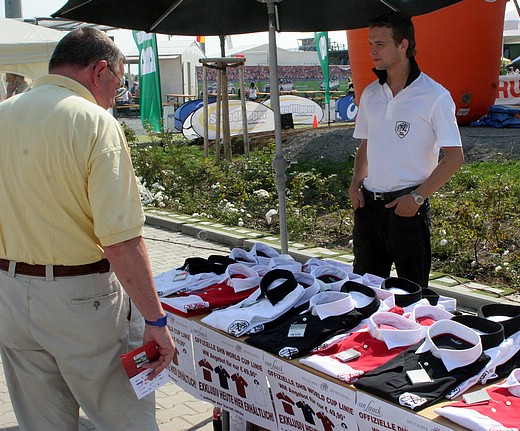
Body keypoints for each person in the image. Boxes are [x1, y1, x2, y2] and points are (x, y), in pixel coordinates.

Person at [0, 28, 175, 431]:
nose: (120, 90)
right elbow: (121, 241)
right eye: (120, 78)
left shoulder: (5, 113)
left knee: (41, 422)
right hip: (81, 300)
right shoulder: (94, 122)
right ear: (100, 71)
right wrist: (156, 321)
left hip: (10, 293)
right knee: (123, 417)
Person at [348, 12, 464, 288]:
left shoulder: (434, 96)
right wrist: (355, 183)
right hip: (369, 208)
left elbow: (455, 157)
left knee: (412, 295)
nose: (372, 51)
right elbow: (366, 144)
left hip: (407, 207)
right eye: (370, 43)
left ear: (403, 44)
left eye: (380, 44)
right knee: (364, 291)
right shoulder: (371, 94)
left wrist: (418, 197)